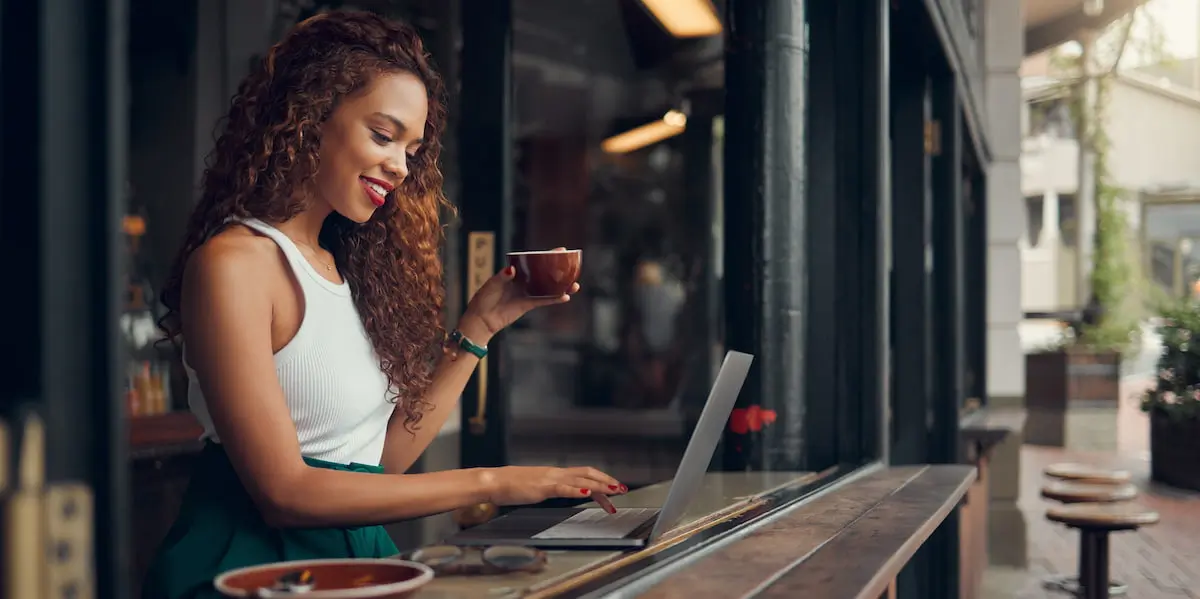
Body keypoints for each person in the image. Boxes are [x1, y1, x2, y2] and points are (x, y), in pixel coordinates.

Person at [142, 11, 625, 599]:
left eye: (413, 148)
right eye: (383, 134)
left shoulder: (337, 268)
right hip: (255, 571)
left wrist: (479, 327)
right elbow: (285, 493)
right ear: (311, 118)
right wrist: (497, 482)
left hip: (355, 563)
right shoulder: (235, 265)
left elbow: (380, 462)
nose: (401, 165)